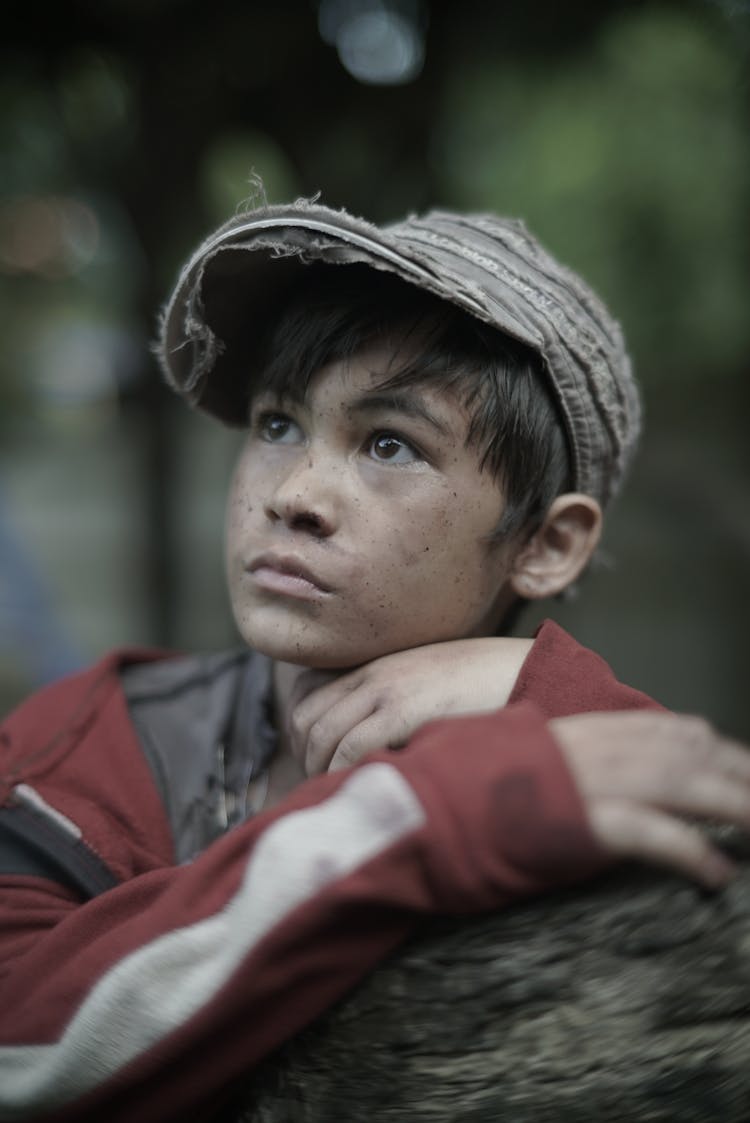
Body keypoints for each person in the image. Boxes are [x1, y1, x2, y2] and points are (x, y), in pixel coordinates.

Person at [1, 196, 749, 1123]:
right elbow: (20, 1047)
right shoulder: (87, 748)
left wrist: (522, 686)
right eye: (278, 425)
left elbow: (711, 811)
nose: (297, 494)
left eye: (391, 445)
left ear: (545, 546)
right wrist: (424, 818)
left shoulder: (563, 748)